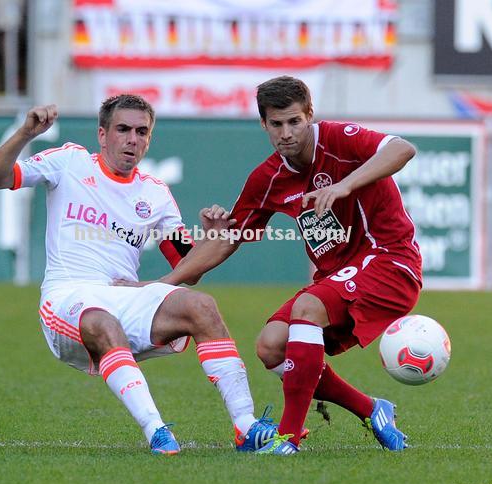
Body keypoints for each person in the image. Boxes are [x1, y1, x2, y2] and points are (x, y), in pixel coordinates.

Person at [123, 76, 422, 455]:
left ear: (310, 115)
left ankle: (288, 438)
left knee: (307, 309)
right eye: (276, 124)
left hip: (390, 259)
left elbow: (403, 149)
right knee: (271, 347)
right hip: (340, 275)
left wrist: (343, 186)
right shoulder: (268, 179)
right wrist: (162, 284)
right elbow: (225, 243)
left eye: (295, 121)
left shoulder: (340, 140)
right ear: (263, 124)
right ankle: (372, 409)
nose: (286, 133)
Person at [0, 95, 277, 455]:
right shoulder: (69, 162)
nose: (132, 139)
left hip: (125, 297)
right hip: (67, 297)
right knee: (103, 323)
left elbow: (188, 266)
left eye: (141, 131)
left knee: (202, 307)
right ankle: (157, 431)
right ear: (102, 135)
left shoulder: (155, 193)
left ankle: (247, 427)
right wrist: (26, 133)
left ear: (149, 139)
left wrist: (211, 237)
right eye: (122, 129)